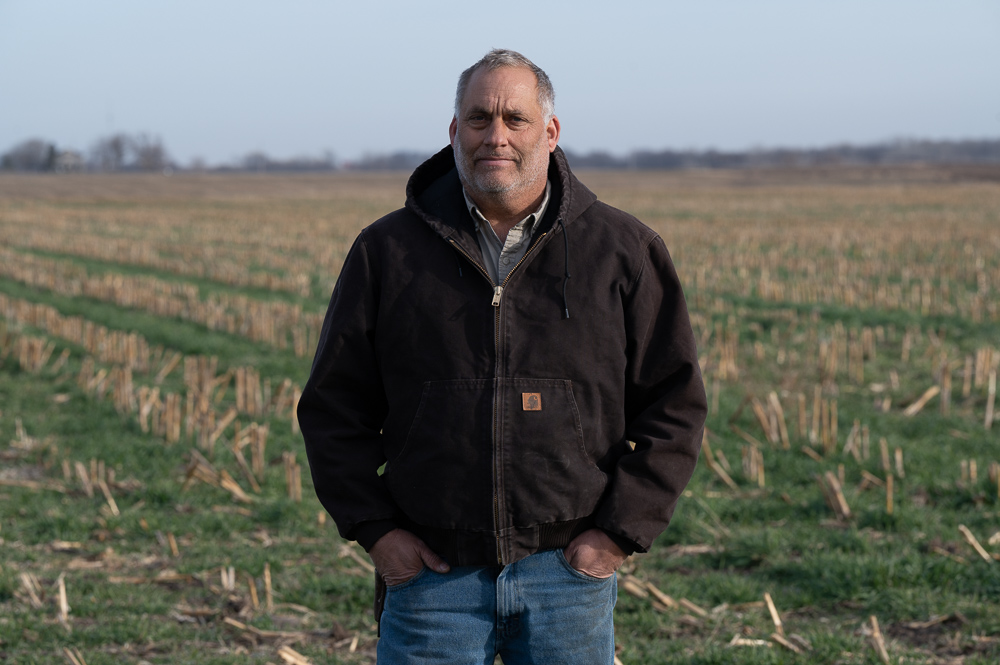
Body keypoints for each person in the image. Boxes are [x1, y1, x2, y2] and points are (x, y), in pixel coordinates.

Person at [298, 49, 707, 664]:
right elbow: (334, 406)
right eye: (479, 118)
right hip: (432, 578)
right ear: (454, 130)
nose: (496, 136)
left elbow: (674, 404)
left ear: (550, 131)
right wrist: (377, 531)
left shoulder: (623, 250)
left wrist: (615, 536)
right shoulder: (387, 251)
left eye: (515, 119)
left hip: (565, 575)